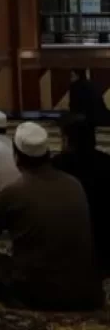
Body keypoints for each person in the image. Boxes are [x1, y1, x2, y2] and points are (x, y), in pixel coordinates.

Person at [0, 122, 104, 311]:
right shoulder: (74, 183)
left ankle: (18, 298)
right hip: (88, 293)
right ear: (47, 154)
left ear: (16, 157)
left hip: (39, 294)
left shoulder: (14, 191)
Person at [54, 114, 110, 272]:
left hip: (69, 248)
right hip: (104, 246)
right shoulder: (107, 161)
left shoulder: (58, 165)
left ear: (67, 140)